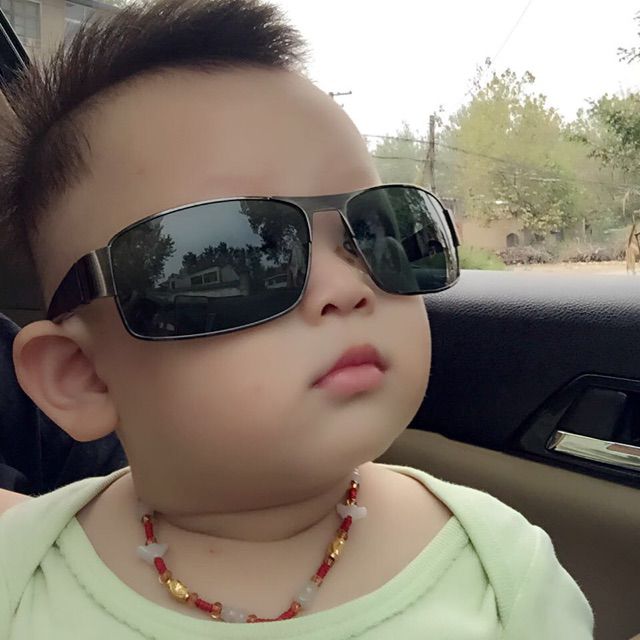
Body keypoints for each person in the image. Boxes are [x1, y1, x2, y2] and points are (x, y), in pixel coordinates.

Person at [0, 0, 593, 637]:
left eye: (376, 230)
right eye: (241, 253)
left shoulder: (502, 569)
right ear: (83, 376)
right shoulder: (19, 572)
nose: (347, 286)